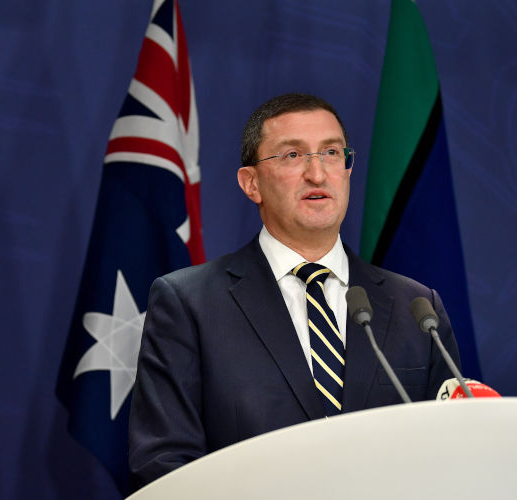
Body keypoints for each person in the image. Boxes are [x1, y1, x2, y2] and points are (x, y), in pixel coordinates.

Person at [128, 93, 461, 489]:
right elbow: (165, 464)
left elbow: (453, 453)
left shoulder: (417, 309)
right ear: (252, 183)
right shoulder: (189, 304)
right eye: (292, 156)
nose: (317, 174)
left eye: (332, 153)